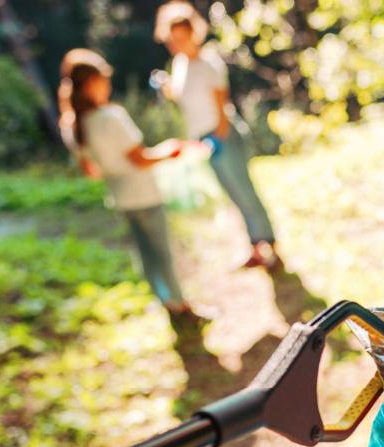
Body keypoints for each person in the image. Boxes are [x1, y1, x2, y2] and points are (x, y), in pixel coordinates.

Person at [58, 49, 194, 316]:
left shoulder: (72, 125)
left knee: (146, 255)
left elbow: (91, 171)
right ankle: (181, 304)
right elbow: (140, 159)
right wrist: (170, 150)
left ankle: (165, 301)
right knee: (163, 253)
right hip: (144, 194)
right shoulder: (111, 117)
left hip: (120, 198)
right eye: (103, 79)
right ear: (91, 83)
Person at [153, 1, 282, 272]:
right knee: (232, 194)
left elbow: (221, 105)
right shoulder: (179, 65)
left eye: (181, 37)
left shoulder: (208, 62)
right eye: (172, 39)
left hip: (222, 136)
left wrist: (218, 139)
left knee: (245, 190)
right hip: (203, 141)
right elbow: (182, 97)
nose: (176, 43)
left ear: (192, 33)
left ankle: (271, 247)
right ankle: (255, 246)